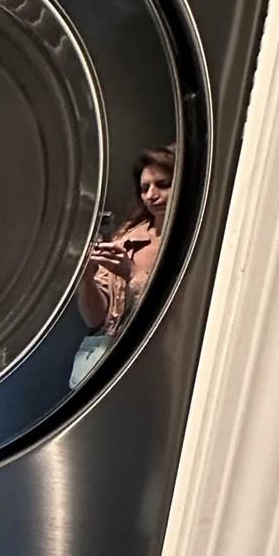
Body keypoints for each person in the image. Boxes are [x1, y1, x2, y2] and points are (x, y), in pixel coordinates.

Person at [70, 146, 176, 389]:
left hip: (157, 365)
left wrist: (130, 273)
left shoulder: (191, 242)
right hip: (106, 364)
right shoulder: (127, 238)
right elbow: (96, 318)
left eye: (163, 184)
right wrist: (84, 276)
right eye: (145, 188)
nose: (152, 195)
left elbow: (177, 311)